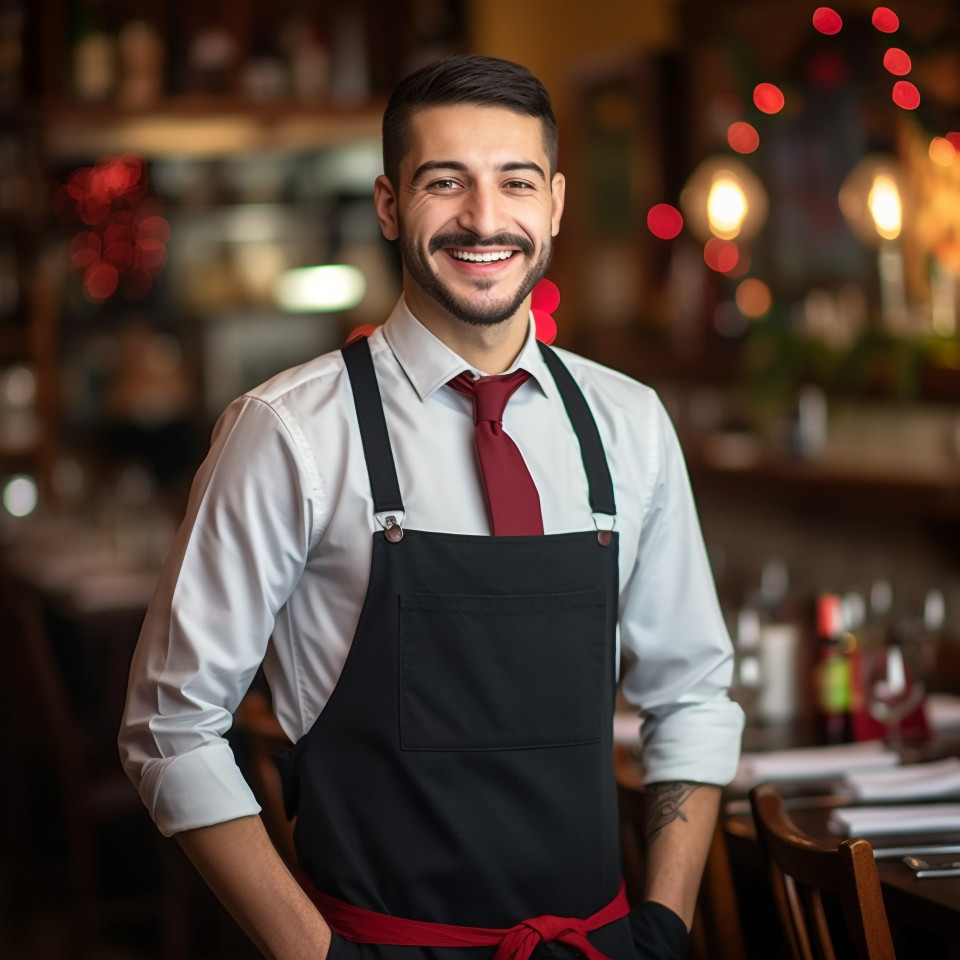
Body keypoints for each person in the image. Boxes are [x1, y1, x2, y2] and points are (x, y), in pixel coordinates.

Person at [119, 54, 744, 960]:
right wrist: (319, 955)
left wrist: (665, 925)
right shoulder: (287, 433)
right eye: (444, 182)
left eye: (515, 183)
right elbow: (170, 728)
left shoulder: (630, 424)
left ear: (556, 203)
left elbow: (691, 695)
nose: (485, 220)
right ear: (386, 204)